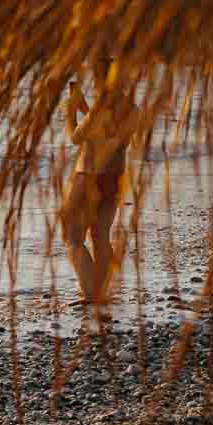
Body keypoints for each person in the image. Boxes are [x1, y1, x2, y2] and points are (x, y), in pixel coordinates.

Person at [59, 64, 131, 308]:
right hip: (115, 176)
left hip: (89, 176)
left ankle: (91, 294)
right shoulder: (133, 109)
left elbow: (75, 137)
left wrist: (71, 112)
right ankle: (101, 291)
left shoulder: (99, 111)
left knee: (72, 237)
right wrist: (84, 108)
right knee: (100, 234)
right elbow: (105, 132)